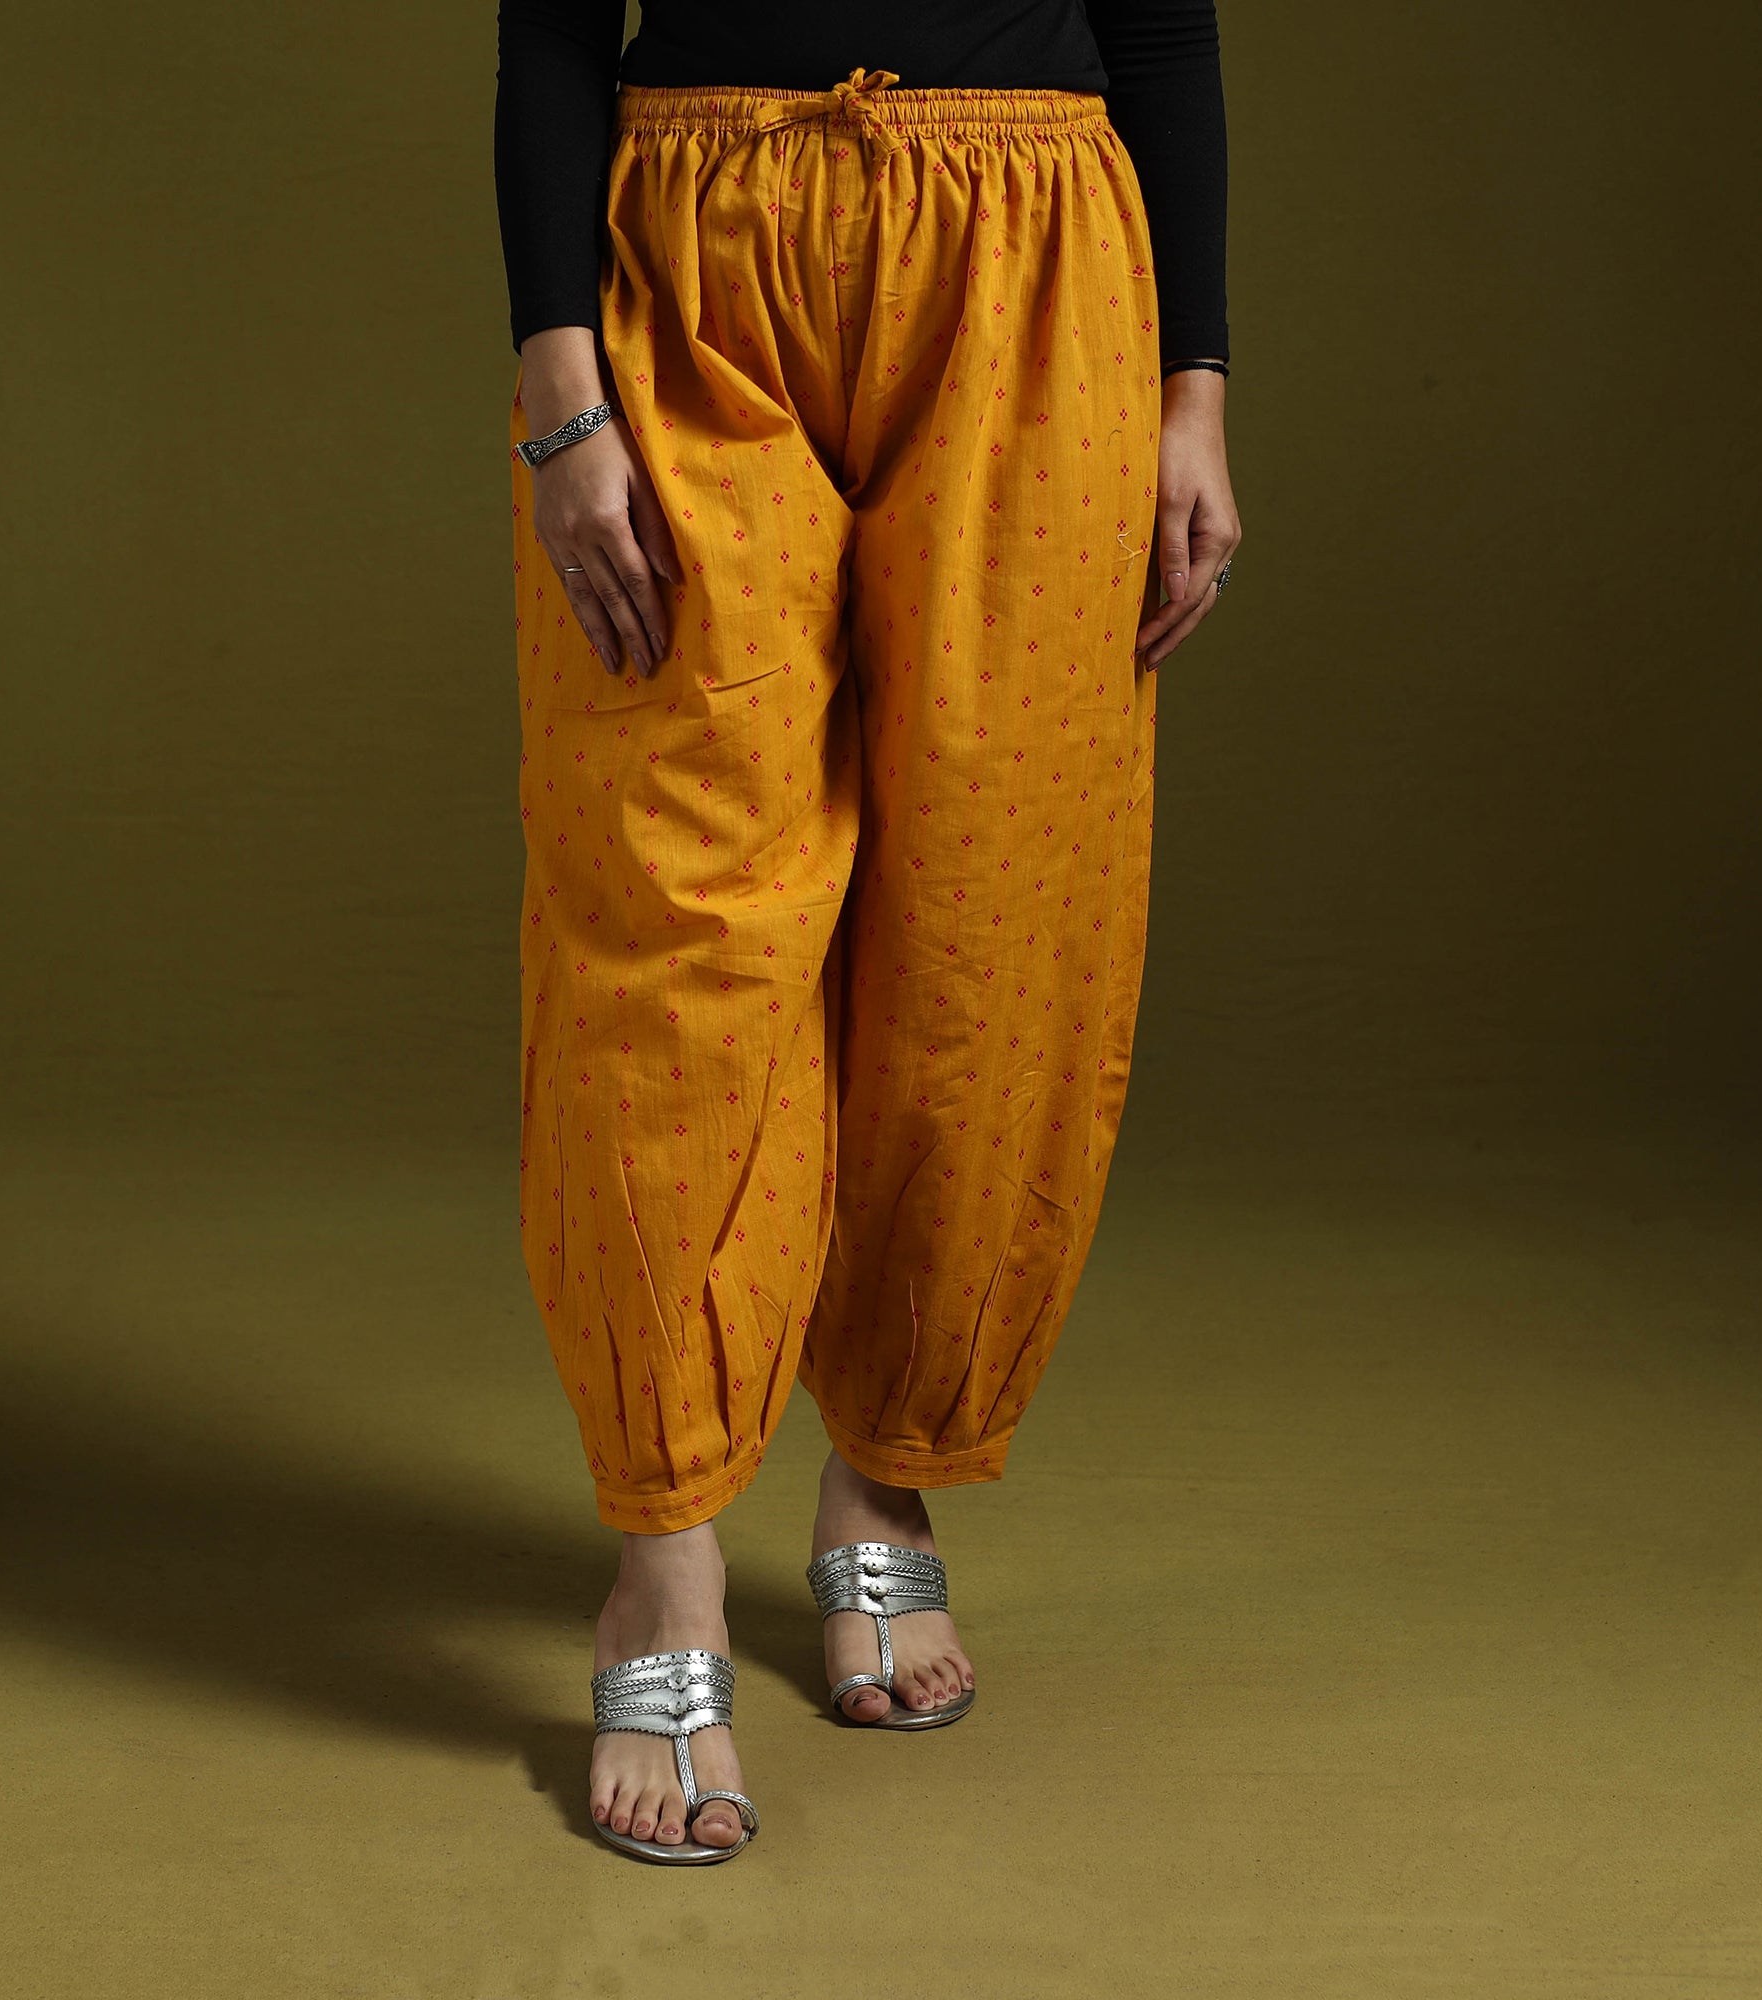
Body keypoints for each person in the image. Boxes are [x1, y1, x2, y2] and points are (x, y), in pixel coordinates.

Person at [493, 0, 1241, 1864]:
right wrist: (559, 385)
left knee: (999, 902)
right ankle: (665, 1555)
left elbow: (1160, 19)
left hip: (1040, 264)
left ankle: (886, 1479)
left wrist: (1196, 388)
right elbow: (552, 19)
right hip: (696, 250)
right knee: (672, 915)